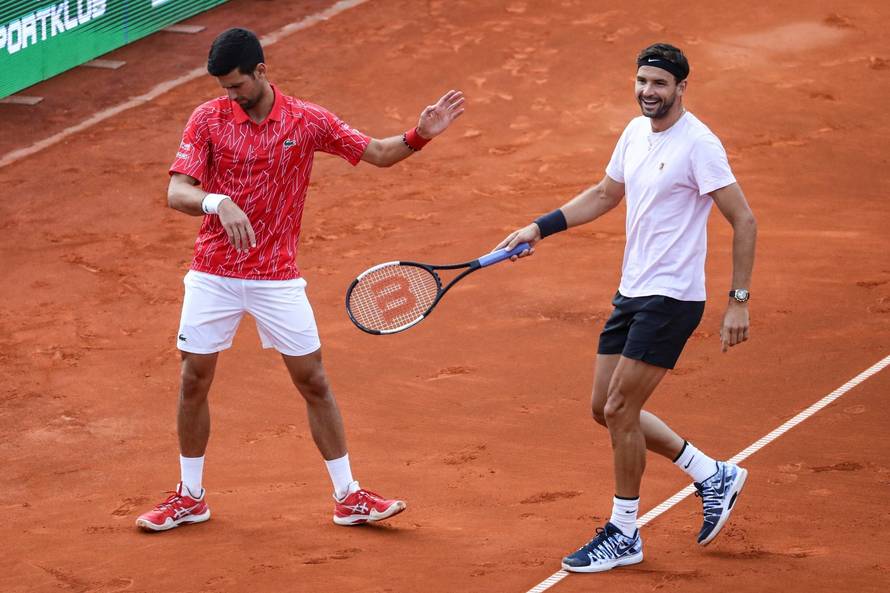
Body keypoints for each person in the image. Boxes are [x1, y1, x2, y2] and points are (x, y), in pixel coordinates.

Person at [136, 28, 465, 531]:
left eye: (237, 86)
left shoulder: (306, 121)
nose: (230, 96)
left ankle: (348, 495)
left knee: (313, 380)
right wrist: (216, 201)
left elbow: (376, 152)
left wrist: (420, 134)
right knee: (193, 379)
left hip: (276, 278)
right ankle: (190, 495)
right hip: (213, 273)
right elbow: (177, 191)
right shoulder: (207, 118)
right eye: (223, 87)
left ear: (261, 72)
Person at [496, 43, 756, 572]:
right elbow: (603, 194)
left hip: (673, 297)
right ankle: (711, 473)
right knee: (604, 408)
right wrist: (537, 228)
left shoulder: (699, 145)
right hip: (633, 290)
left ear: (682, 87)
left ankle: (624, 531)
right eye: (642, 81)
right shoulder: (635, 131)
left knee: (620, 410)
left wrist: (738, 301)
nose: (647, 92)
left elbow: (744, 220)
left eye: (659, 84)